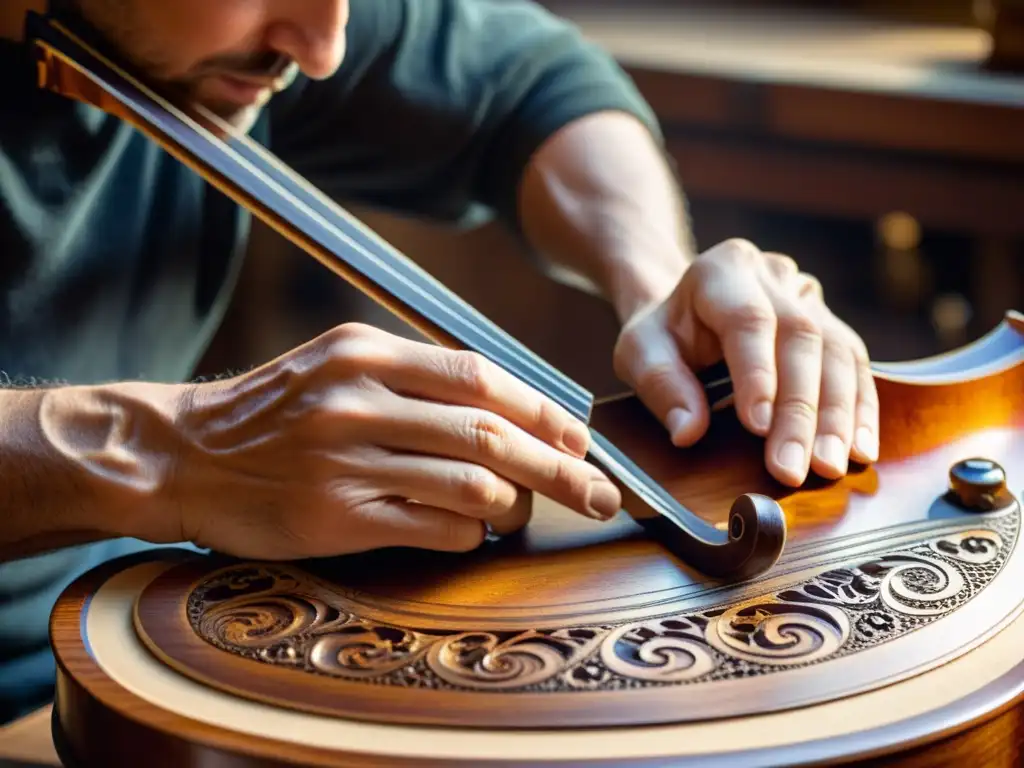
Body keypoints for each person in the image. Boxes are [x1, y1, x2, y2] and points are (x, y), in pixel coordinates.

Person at [0, 0, 879, 724]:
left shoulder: (224, 32)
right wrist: (163, 450)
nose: (322, 46)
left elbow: (526, 86)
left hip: (118, 666)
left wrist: (657, 283)